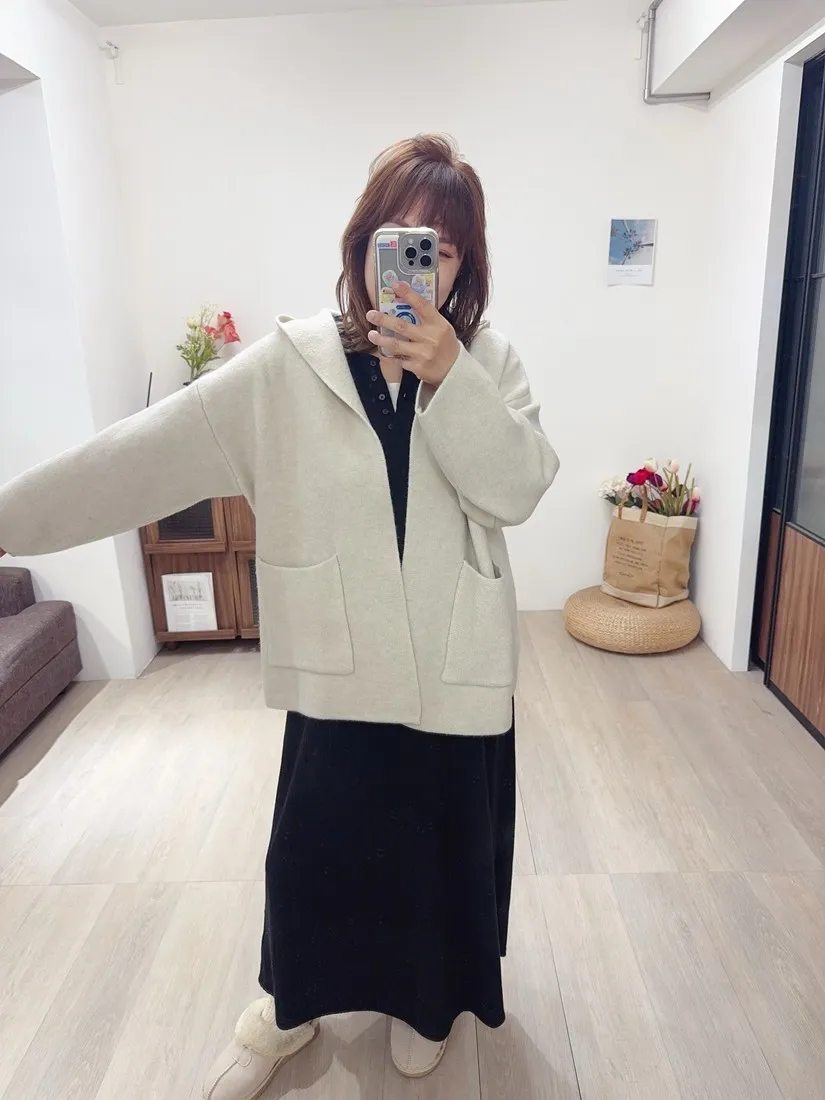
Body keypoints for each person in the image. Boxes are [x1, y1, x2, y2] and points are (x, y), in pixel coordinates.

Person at [0, 134, 559, 1099]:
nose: (418, 262)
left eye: (441, 248)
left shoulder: (491, 363)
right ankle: (291, 1004)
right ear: (361, 244)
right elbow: (140, 455)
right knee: (312, 854)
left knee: (436, 851)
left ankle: (426, 1003)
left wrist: (449, 377)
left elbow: (515, 489)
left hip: (454, 662)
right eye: (399, 238)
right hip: (337, 664)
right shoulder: (288, 365)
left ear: (464, 264)